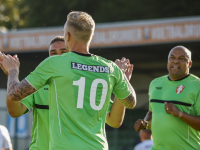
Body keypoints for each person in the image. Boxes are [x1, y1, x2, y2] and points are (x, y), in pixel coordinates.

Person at [0, 11, 136, 150]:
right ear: (91, 36)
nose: (57, 55)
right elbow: (131, 102)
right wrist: (123, 79)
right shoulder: (111, 68)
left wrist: (12, 71)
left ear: (67, 36)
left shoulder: (54, 64)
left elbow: (14, 93)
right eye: (53, 53)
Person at [134, 46, 200, 150]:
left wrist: (180, 114)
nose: (176, 61)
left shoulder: (197, 85)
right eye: (172, 58)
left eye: (182, 59)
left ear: (190, 64)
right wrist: (145, 123)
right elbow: (152, 113)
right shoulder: (155, 83)